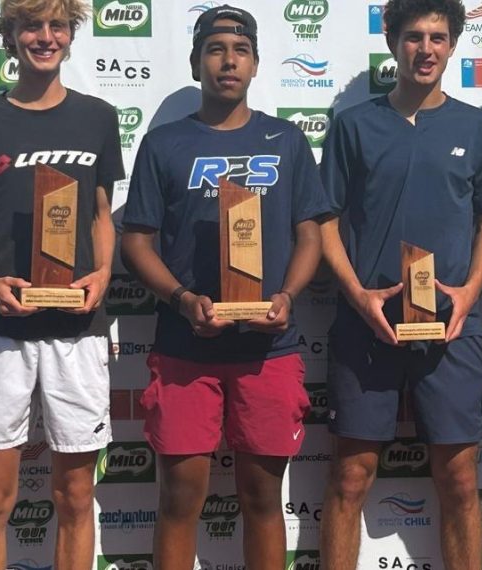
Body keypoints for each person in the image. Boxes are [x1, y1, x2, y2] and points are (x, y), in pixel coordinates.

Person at [118, 6, 328, 570]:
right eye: (215, 50)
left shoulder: (286, 140)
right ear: (196, 64)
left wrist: (287, 297)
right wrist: (182, 299)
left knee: (262, 500)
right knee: (179, 499)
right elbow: (136, 241)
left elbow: (310, 233)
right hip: (185, 349)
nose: (228, 61)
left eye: (240, 50)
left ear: (256, 64)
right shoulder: (163, 143)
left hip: (268, 350)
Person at [317, 1, 482, 568]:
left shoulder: (478, 128)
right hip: (365, 324)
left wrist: (470, 292)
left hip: (451, 326)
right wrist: (358, 296)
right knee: (350, 476)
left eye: (438, 38)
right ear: (392, 42)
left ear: (453, 46)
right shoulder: (353, 125)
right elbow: (324, 222)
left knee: (460, 479)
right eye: (414, 37)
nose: (426, 49)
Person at [0, 1, 121, 568]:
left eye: (57, 25)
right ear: (10, 36)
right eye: (31, 25)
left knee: (76, 497)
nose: (45, 36)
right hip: (0, 332)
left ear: (71, 34)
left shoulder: (98, 117)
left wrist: (104, 273)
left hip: (77, 330)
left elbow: (101, 214)